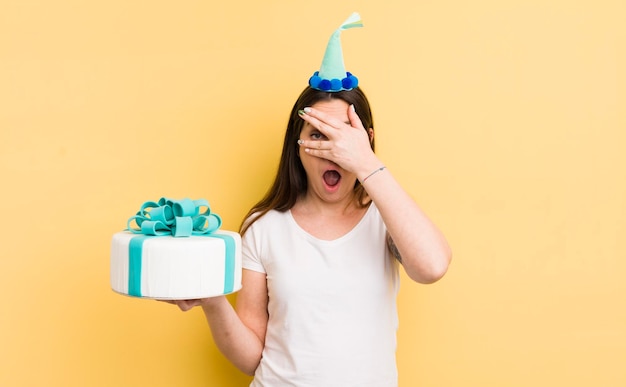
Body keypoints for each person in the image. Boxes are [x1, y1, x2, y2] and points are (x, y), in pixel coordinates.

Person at [167, 13, 451, 387]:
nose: (332, 150)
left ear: (364, 140)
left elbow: (431, 266)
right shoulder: (263, 226)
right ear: (296, 145)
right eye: (317, 135)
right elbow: (253, 357)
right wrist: (214, 302)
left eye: (343, 136)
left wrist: (366, 162)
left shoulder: (386, 217)